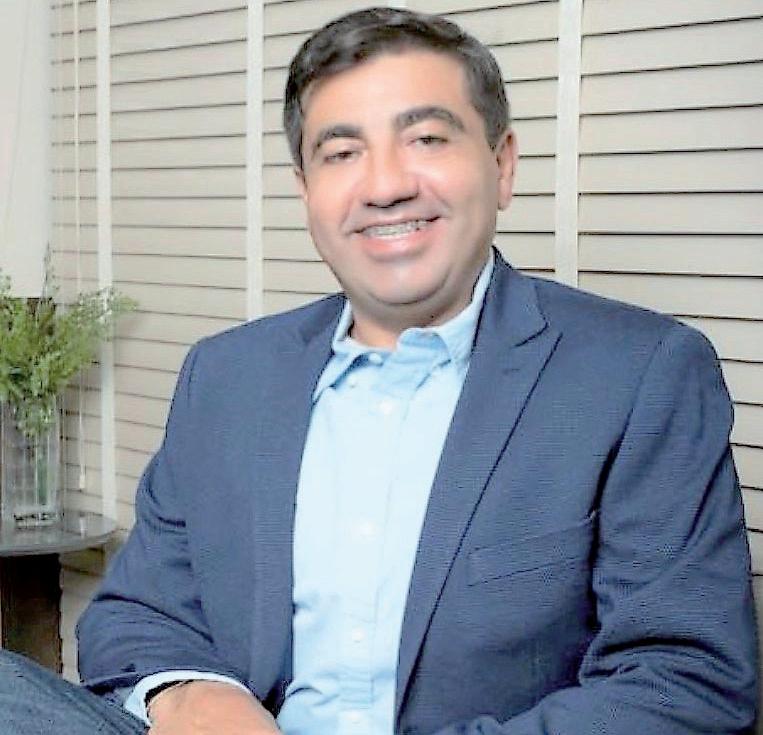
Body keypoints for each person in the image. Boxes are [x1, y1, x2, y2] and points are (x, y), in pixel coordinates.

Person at [0, 7, 757, 734]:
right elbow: (137, 614)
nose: (385, 184)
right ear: (306, 189)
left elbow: (686, 680)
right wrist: (192, 697)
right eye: (341, 152)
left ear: (501, 164)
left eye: (426, 138)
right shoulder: (226, 376)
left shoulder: (636, 374)